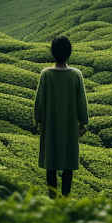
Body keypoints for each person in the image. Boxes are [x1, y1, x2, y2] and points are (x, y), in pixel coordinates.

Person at [34, 34, 88, 198]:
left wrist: (38, 120)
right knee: (68, 164)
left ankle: (52, 197)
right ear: (69, 53)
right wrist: (83, 123)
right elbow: (81, 102)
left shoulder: (46, 74)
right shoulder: (75, 74)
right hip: (69, 127)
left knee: (51, 163)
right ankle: (64, 197)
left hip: (50, 126)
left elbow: (39, 101)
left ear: (53, 52)